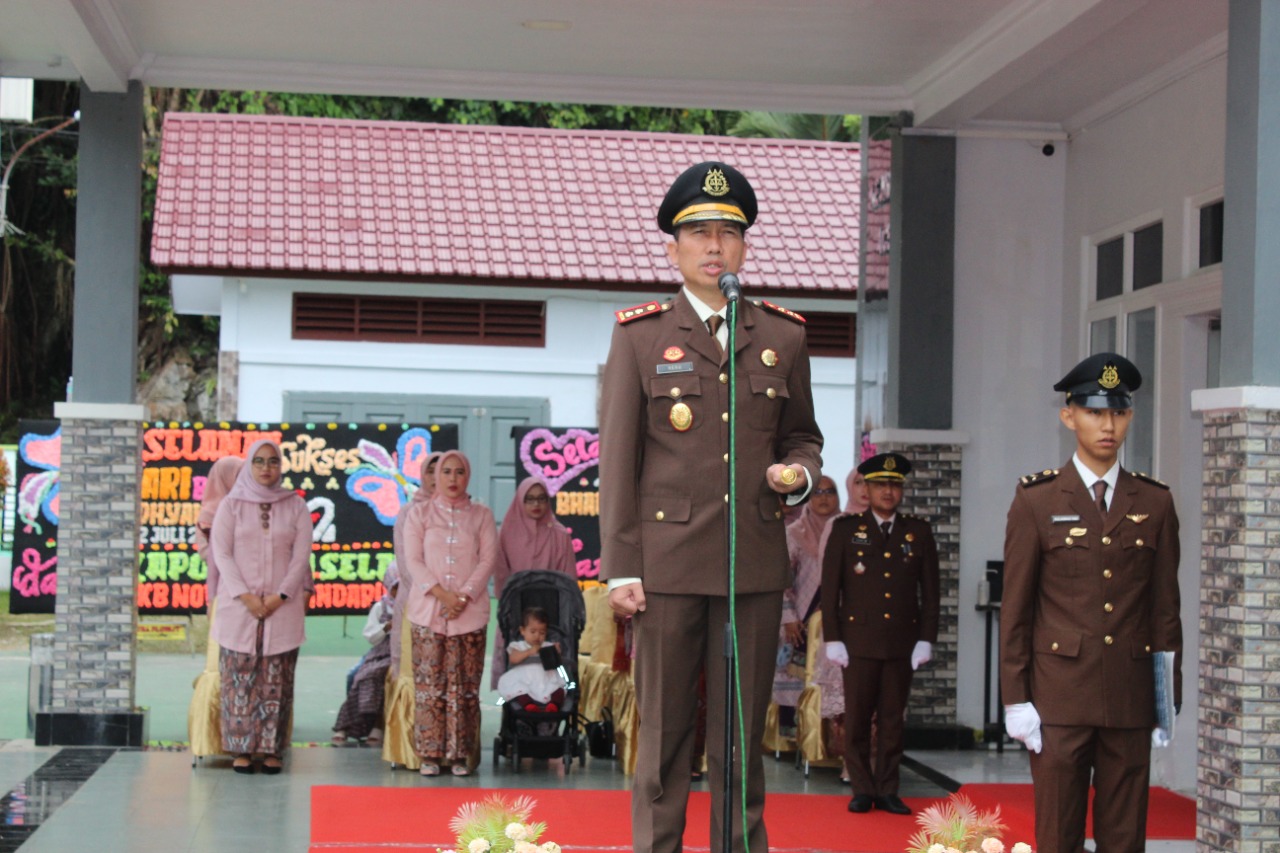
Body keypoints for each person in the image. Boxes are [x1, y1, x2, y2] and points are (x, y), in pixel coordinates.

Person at [600, 160, 823, 853]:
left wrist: (800, 474)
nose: (714, 244)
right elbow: (619, 460)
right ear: (673, 248)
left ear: (745, 247)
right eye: (698, 231)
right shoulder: (641, 335)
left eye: (729, 231)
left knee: (738, 741)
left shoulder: (783, 335)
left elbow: (803, 435)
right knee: (664, 738)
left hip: (751, 566)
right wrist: (621, 568)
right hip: (665, 569)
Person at [1001, 352, 1182, 853]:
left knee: (1125, 839)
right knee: (1058, 835)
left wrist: (1165, 702)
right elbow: (1016, 609)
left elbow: (1165, 611)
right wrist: (1016, 698)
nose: (1108, 425)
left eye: (1119, 412)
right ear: (1069, 415)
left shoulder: (1155, 501)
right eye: (1095, 412)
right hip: (1059, 698)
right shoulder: (1036, 500)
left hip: (1129, 695)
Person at [820, 453, 939, 815]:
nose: (888, 491)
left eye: (895, 485)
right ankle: (861, 788)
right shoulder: (845, 529)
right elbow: (831, 589)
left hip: (901, 642)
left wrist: (926, 637)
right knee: (856, 720)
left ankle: (888, 788)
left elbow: (931, 591)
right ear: (866, 490)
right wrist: (833, 637)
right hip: (857, 642)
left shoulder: (917, 531)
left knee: (892, 719)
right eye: (880, 485)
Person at [210, 438, 313, 774]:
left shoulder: (295, 506)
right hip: (239, 606)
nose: (267, 468)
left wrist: (279, 596)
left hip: (283, 606)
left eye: (273, 462)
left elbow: (300, 556)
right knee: (238, 679)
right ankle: (240, 749)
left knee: (276, 680)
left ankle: (270, 750)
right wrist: (247, 597)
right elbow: (221, 554)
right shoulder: (231, 505)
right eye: (259, 462)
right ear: (249, 466)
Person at [401, 449, 498, 777]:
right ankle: (430, 755)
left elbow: (487, 560)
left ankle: (459, 756)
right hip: (428, 611)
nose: (453, 479)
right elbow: (413, 560)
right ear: (436, 476)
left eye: (459, 472)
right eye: (446, 472)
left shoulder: (481, 515)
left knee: (465, 687)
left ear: (467, 476)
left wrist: (464, 596)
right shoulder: (420, 515)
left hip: (469, 614)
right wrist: (442, 594)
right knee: (430, 685)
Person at [490, 476, 577, 688]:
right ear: (520, 501)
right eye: (529, 499)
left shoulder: (559, 535)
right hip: (516, 613)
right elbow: (501, 575)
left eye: (541, 499)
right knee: (515, 672)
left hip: (551, 617)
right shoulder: (508, 533)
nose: (536, 504)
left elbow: (568, 579)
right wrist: (511, 604)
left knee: (550, 672)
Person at [774, 474, 843, 740]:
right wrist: (788, 617)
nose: (824, 498)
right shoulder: (794, 533)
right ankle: (794, 735)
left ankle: (825, 739)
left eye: (830, 492)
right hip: (799, 620)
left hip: (833, 621)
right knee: (793, 678)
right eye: (817, 492)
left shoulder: (846, 530)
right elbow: (782, 580)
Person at [188, 454, 244, 759]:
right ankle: (213, 738)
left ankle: (247, 739)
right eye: (237, 475)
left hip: (248, 601)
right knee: (217, 668)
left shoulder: (251, 508)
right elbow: (213, 559)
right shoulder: (211, 514)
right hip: (225, 597)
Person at [332, 561, 398, 745]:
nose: (399, 592)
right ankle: (347, 725)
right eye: (395, 587)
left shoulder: (414, 606)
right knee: (355, 676)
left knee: (376, 675)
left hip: (403, 654)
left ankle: (378, 725)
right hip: (379, 652)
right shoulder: (381, 607)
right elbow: (371, 637)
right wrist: (387, 627)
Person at [496, 605, 567, 710]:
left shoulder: (547, 645)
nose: (537, 636)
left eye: (542, 633)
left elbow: (557, 663)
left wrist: (556, 651)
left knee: (559, 689)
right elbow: (513, 658)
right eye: (533, 632)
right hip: (524, 679)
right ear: (523, 630)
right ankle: (529, 705)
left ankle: (553, 705)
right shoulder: (518, 646)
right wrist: (529, 652)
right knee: (518, 689)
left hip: (545, 679)